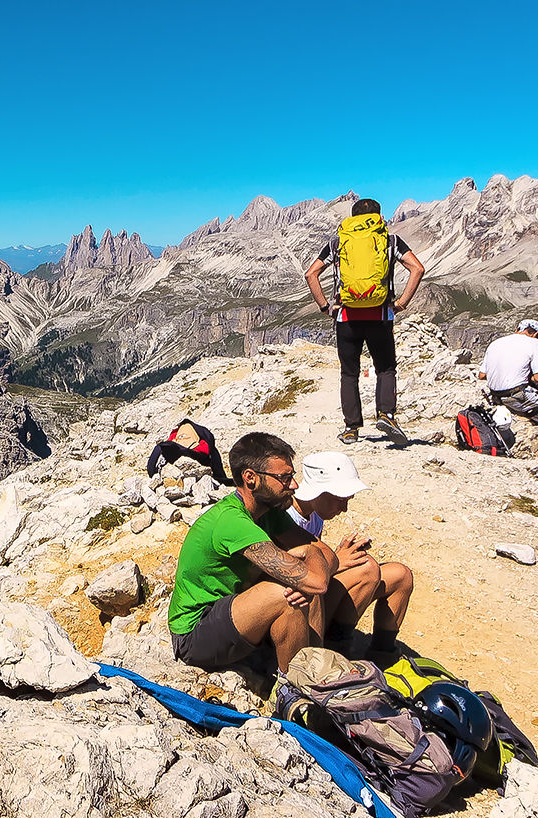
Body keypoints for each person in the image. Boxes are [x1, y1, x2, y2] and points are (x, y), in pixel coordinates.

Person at [168, 430, 336, 674]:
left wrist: (311, 556)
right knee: (287, 593)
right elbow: (319, 580)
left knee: (300, 586)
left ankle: (317, 673)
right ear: (251, 478)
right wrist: (311, 553)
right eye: (285, 478)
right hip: (194, 632)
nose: (294, 485)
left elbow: (327, 558)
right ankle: (296, 690)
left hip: (234, 612)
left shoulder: (270, 513)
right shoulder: (233, 522)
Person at [305, 197, 426, 447]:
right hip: (380, 316)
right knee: (385, 368)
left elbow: (311, 273)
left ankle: (351, 428)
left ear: (352, 216)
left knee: (349, 373)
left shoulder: (338, 242)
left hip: (346, 318)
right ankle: (386, 416)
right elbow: (418, 268)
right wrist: (401, 303)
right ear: (379, 217)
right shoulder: (390, 240)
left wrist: (325, 306)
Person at [283, 450, 415, 657]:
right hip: (296, 604)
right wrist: (335, 562)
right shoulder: (285, 516)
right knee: (368, 569)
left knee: (400, 575)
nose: (344, 508)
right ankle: (337, 651)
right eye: (339, 500)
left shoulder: (314, 515)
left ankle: (384, 654)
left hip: (317, 587)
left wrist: (337, 559)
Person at [480, 318, 538, 460]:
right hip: (518, 396)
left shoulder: (496, 343)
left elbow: (482, 375)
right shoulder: (534, 343)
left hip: (496, 395)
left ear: (518, 330)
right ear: (535, 334)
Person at [145, 418, 229, 484]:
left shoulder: (171, 439)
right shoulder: (202, 435)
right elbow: (208, 447)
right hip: (194, 452)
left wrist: (153, 474)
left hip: (177, 451)